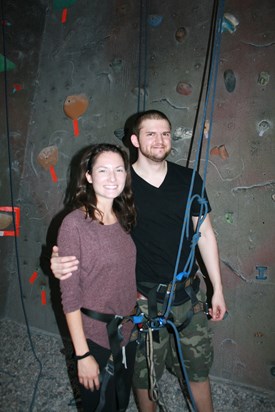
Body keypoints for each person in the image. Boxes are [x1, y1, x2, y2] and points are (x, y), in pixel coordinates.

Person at [51, 111, 227, 412]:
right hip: (143, 301)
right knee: (144, 379)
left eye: (166, 134)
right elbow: (92, 229)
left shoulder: (188, 180)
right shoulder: (120, 184)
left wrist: (217, 289)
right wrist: (61, 261)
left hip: (187, 295)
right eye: (150, 133)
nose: (159, 140)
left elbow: (206, 235)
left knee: (198, 370)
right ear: (135, 139)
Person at [56, 143, 137, 412]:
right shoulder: (74, 224)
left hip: (128, 333)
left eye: (118, 170)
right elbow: (70, 297)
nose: (112, 178)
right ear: (88, 176)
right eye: (102, 170)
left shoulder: (123, 215)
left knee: (119, 403)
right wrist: (82, 354)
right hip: (96, 338)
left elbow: (118, 269)